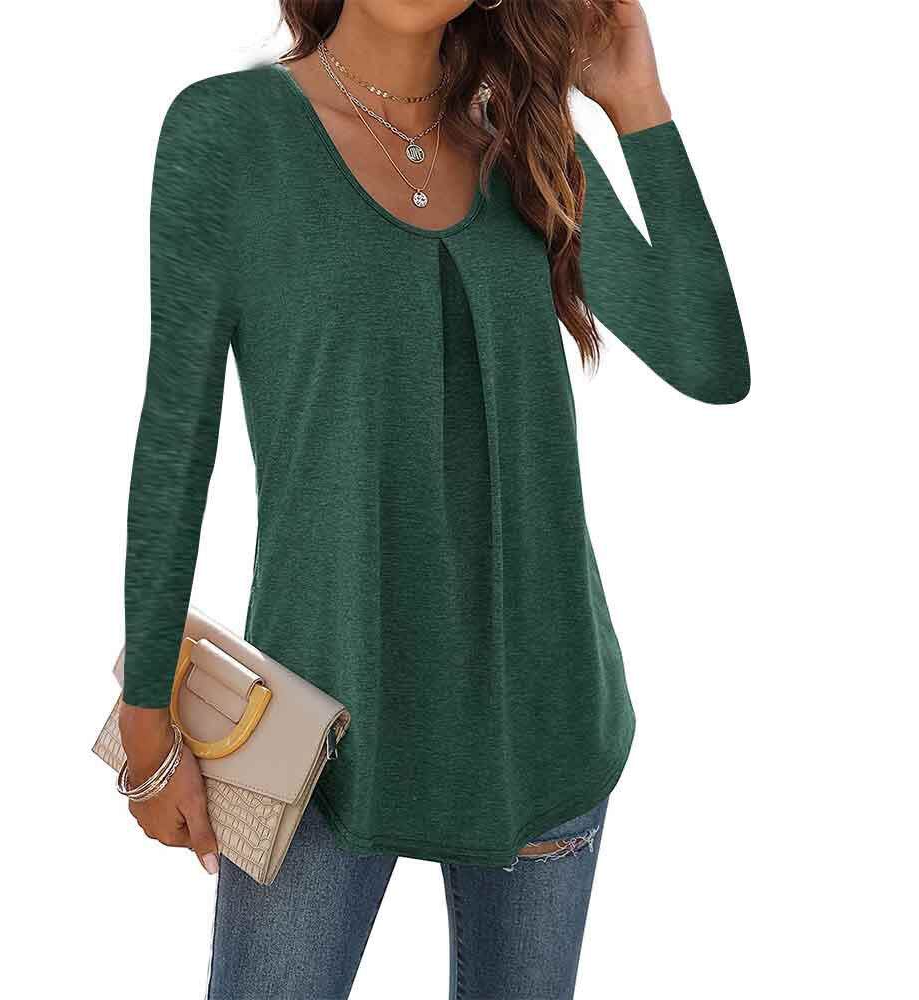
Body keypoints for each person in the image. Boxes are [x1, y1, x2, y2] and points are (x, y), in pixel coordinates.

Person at [115, 1, 750, 997]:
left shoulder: (522, 142)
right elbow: (175, 437)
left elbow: (709, 360)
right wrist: (147, 718)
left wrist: (637, 105)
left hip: (543, 721)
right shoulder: (229, 132)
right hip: (317, 732)